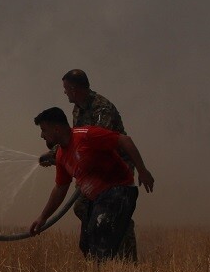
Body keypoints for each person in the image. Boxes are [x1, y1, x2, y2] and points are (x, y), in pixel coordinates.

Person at [29, 107, 155, 261]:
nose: (42, 135)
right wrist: (43, 217)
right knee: (86, 243)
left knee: (99, 229)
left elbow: (124, 140)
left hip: (119, 190)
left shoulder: (86, 135)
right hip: (97, 198)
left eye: (44, 130)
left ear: (56, 128)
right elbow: (60, 188)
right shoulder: (61, 155)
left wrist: (142, 170)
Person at [38, 69, 138, 260]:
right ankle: (105, 251)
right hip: (91, 166)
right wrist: (55, 155)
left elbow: (99, 140)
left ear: (74, 89)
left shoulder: (102, 108)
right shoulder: (78, 108)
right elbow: (73, 138)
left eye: (66, 88)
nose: (64, 92)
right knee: (83, 208)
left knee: (107, 210)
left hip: (114, 168)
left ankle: (126, 255)